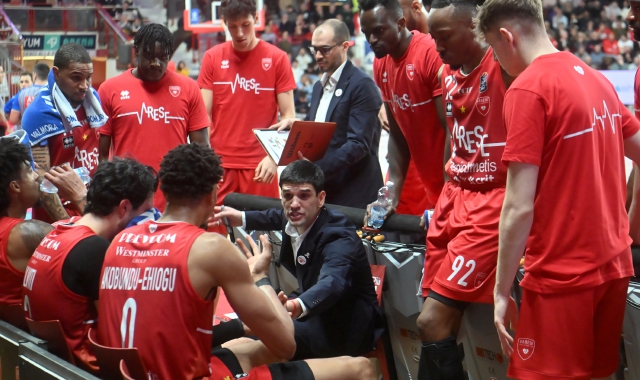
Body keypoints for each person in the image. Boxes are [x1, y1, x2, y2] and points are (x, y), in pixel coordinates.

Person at [477, 0, 640, 378]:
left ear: (506, 36)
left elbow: (518, 207)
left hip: (562, 275)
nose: (497, 61)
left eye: (493, 50)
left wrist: (500, 292)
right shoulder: (595, 77)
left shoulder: (528, 90)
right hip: (614, 267)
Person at [98, 143, 297, 379]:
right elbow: (287, 345)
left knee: (249, 347)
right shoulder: (211, 248)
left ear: (165, 191)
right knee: (348, 366)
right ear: (212, 193)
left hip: (122, 374)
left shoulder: (120, 240)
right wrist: (259, 278)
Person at [413, 1, 514, 378]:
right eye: (433, 38)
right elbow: (452, 137)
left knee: (430, 322)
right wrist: (443, 192)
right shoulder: (446, 72)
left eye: (443, 38)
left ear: (475, 29)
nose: (436, 47)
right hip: (453, 195)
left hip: (491, 201)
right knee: (432, 324)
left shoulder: (505, 66)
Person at [215, 160, 383, 360]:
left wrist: (295, 306)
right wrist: (242, 217)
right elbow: (275, 216)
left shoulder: (338, 236)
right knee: (253, 328)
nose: (294, 204)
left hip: (345, 327)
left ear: (321, 198)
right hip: (312, 307)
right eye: (288, 196)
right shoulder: (297, 215)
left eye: (304, 195)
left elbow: (334, 282)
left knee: (254, 337)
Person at [22, 158, 157, 373]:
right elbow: (122, 329)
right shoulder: (94, 249)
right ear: (124, 207)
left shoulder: (59, 228)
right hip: (85, 370)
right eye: (145, 212)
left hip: (49, 364)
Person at [197, 0, 296, 234]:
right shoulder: (212, 58)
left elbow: (289, 116)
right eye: (233, 27)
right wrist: (207, 163)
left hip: (261, 167)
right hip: (220, 167)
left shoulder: (277, 58)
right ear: (224, 24)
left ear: (256, 18)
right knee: (216, 241)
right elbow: (201, 117)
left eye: (246, 24)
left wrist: (274, 158)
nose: (240, 33)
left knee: (263, 240)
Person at [270, 19, 384, 209]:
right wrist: (297, 124)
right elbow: (321, 128)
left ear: (345, 46)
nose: (318, 55)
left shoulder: (362, 86)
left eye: (325, 49)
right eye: (314, 49)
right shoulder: (318, 87)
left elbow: (358, 144)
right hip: (327, 191)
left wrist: (317, 170)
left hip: (354, 194)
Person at [98, 24, 210, 211]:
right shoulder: (109, 90)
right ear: (136, 52)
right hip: (126, 199)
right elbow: (102, 155)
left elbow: (202, 150)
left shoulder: (189, 88)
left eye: (163, 57)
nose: (156, 63)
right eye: (149, 56)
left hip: (174, 198)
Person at [360, 0, 447, 222]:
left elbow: (452, 133)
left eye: (378, 31)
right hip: (432, 188)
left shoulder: (430, 53)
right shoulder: (381, 64)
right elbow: (398, 135)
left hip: (454, 187)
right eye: (366, 33)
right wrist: (390, 196)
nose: (371, 40)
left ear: (400, 24)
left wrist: (449, 196)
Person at [22, 43, 107, 223]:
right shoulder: (39, 113)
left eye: (89, 78)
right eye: (76, 78)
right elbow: (41, 181)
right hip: (58, 217)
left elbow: (99, 157)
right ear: (57, 73)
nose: (85, 86)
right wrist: (67, 226)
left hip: (90, 205)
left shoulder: (93, 100)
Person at [0, 135, 85, 316]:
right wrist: (79, 196)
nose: (37, 177)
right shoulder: (25, 233)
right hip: (36, 339)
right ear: (15, 186)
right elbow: (90, 245)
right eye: (30, 172)